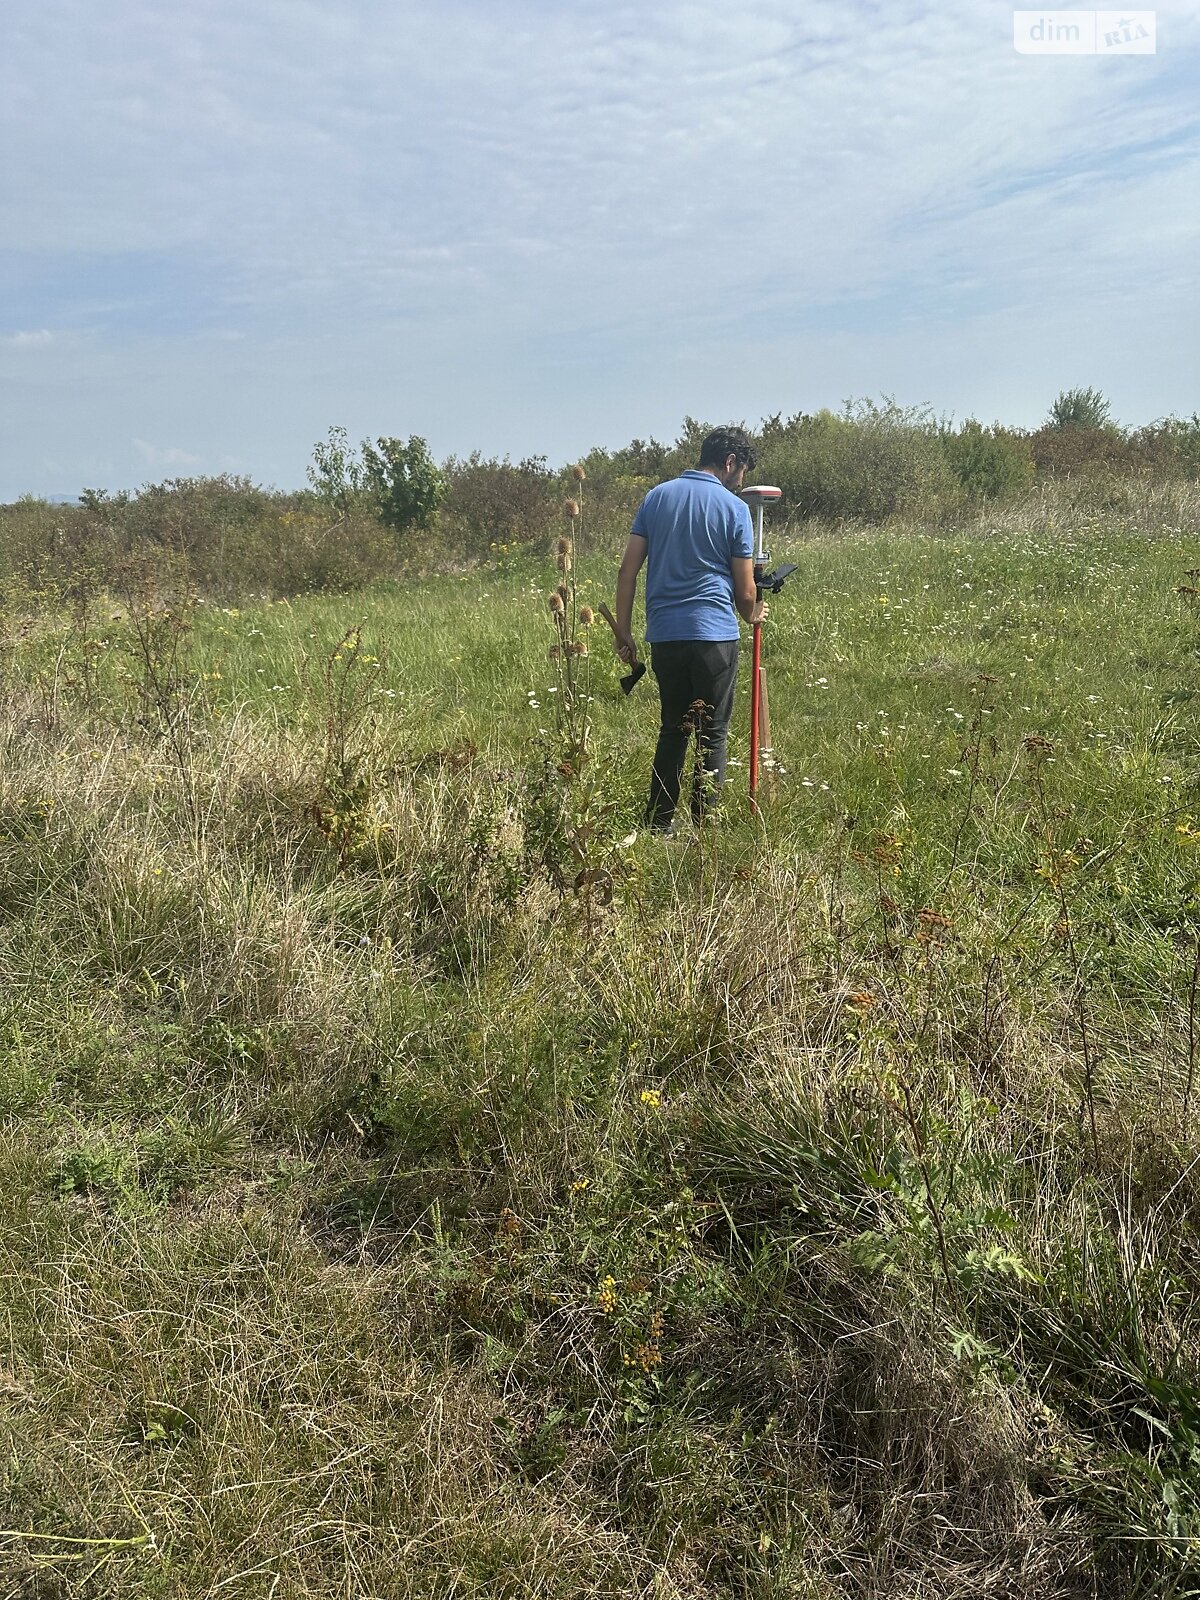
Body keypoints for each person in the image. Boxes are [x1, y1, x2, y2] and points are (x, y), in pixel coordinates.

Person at [612, 426, 768, 834]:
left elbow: (627, 571)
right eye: (742, 472)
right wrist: (753, 613)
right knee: (712, 734)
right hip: (714, 633)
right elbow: (745, 589)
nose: (741, 482)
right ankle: (705, 833)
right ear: (729, 462)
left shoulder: (656, 498)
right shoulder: (734, 509)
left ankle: (659, 825)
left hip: (665, 634)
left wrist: (623, 631)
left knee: (674, 729)